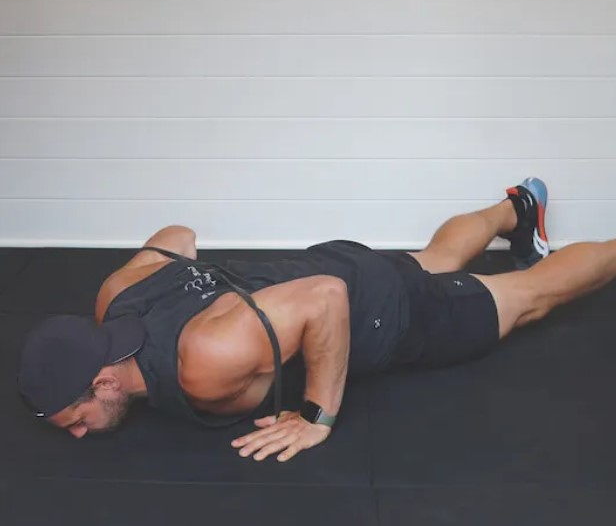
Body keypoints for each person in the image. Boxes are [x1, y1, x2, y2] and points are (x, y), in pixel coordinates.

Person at [17, 178, 616, 463]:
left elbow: (327, 299)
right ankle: (517, 206)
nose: (77, 431)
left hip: (379, 312)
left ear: (105, 381)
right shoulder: (116, 299)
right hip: (324, 261)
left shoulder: (201, 362)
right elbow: (177, 237)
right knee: (434, 260)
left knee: (528, 295)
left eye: (77, 417)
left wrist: (316, 416)